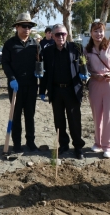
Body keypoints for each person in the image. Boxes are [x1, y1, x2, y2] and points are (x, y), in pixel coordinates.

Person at [39, 24, 86, 160]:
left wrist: (85, 75)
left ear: (67, 35)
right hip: (56, 90)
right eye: (57, 34)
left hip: (72, 89)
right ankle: (63, 145)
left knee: (74, 120)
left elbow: (84, 66)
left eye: (63, 34)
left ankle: (78, 147)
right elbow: (45, 74)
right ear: (52, 36)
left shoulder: (76, 48)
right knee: (59, 121)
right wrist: (42, 90)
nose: (60, 37)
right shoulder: (47, 52)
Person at [84, 22, 110, 158]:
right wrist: (93, 75)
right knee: (97, 116)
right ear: (91, 32)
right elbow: (85, 67)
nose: (98, 34)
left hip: (109, 84)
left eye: (101, 31)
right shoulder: (87, 49)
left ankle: (108, 146)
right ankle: (98, 143)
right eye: (95, 31)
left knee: (109, 116)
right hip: (94, 84)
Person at [1, 12, 39, 153]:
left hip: (31, 85)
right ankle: (17, 143)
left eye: (29, 26)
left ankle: (30, 142)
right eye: (24, 26)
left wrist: (39, 71)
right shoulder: (9, 44)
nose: (27, 28)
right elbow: (5, 63)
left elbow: (39, 61)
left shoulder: (35, 44)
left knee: (30, 115)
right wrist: (11, 78)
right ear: (17, 27)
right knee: (15, 115)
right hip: (15, 86)